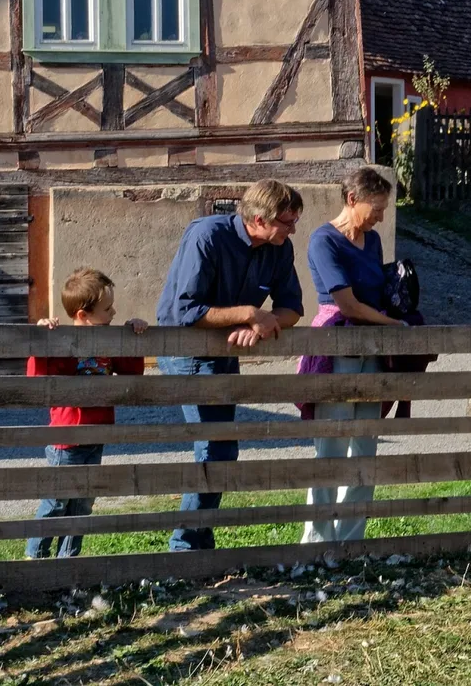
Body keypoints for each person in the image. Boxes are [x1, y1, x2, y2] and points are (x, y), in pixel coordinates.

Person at [155, 178, 305, 551]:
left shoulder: (279, 248)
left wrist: (263, 323)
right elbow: (187, 311)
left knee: (222, 450)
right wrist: (249, 314)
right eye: (287, 222)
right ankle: (185, 548)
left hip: (225, 351)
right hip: (186, 350)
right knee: (216, 449)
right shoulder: (207, 236)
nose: (293, 229)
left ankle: (198, 543)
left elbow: (292, 308)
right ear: (259, 219)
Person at [299, 168, 401, 544]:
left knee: (365, 449)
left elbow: (375, 293)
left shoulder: (372, 241)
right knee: (331, 447)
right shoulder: (323, 240)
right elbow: (347, 304)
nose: (381, 217)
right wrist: (394, 325)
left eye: (384, 208)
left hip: (371, 349)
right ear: (352, 199)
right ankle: (318, 542)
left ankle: (351, 541)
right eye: (377, 208)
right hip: (337, 345)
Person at [25, 267, 147, 559]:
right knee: (57, 501)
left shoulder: (109, 342)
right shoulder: (60, 340)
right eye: (107, 309)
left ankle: (68, 560)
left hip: (96, 436)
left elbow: (132, 371)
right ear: (83, 315)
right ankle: (35, 556)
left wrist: (133, 336)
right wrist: (41, 339)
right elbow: (36, 376)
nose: (114, 312)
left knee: (83, 503)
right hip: (66, 440)